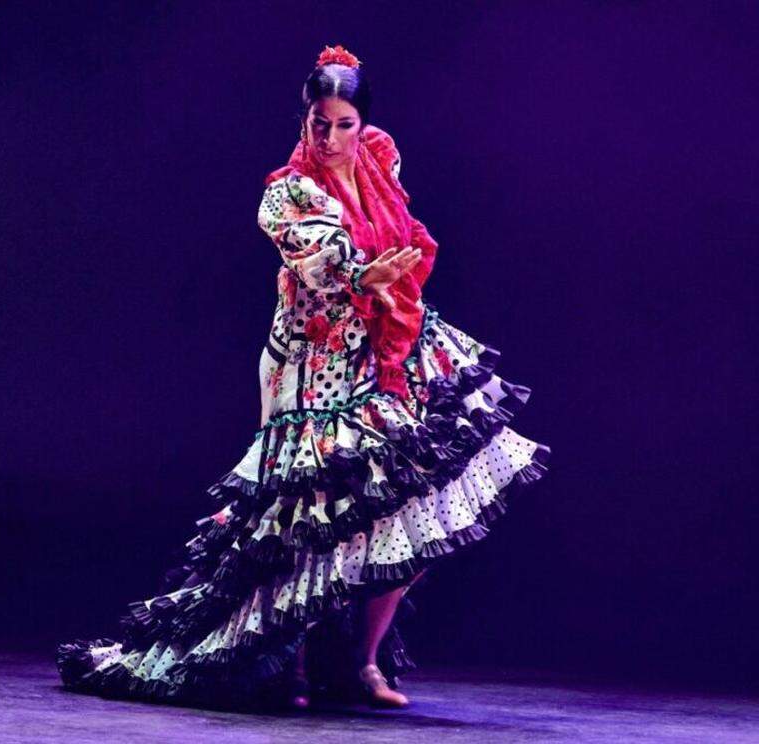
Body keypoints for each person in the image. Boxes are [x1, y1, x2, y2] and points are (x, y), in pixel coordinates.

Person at [56, 43, 551, 712]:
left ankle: (365, 663)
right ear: (305, 118)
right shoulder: (286, 191)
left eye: (344, 123)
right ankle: (283, 657)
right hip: (313, 362)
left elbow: (395, 231)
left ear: (361, 122)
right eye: (320, 121)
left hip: (390, 344)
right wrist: (358, 274)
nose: (332, 136)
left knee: (410, 501)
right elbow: (316, 256)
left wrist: (386, 282)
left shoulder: (381, 155)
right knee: (308, 518)